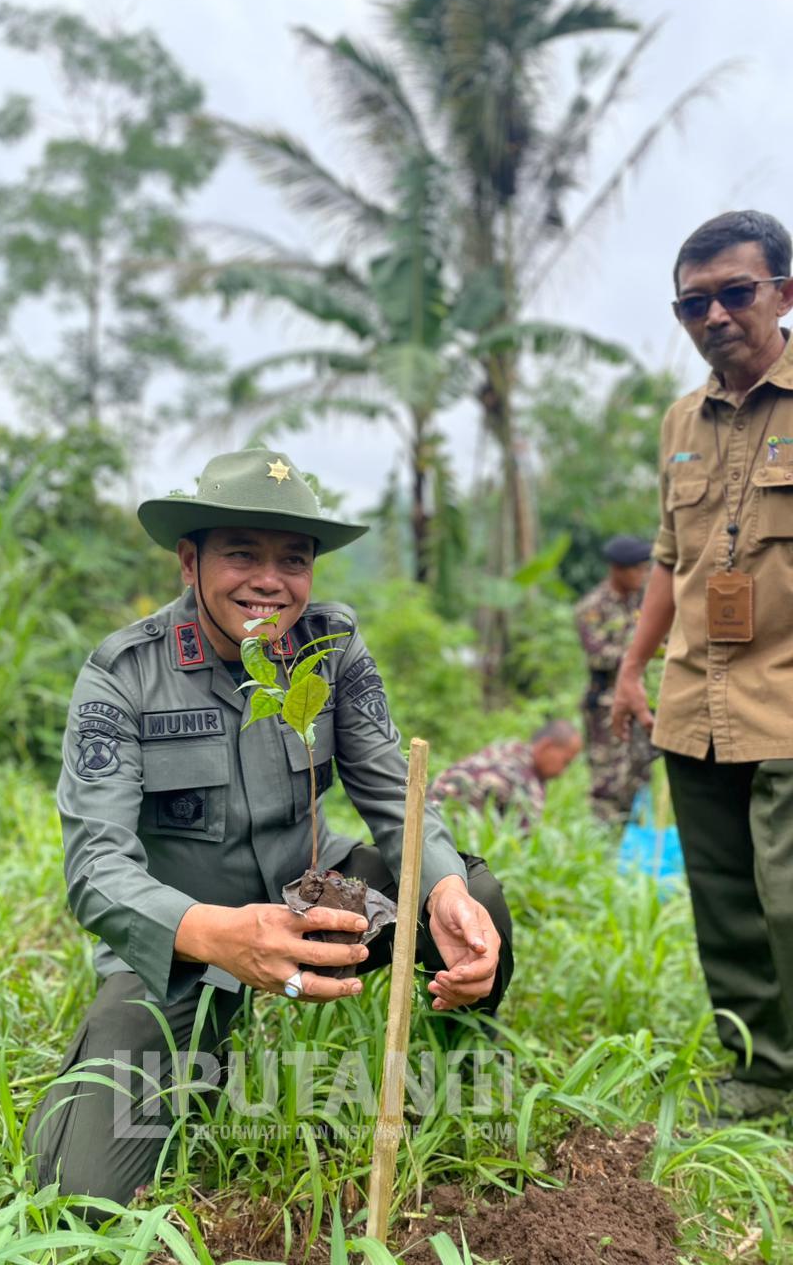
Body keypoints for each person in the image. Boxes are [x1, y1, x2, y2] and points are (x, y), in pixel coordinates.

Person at [28, 448, 514, 1211]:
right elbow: (95, 870)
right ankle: (208, 1043)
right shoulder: (124, 674)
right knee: (80, 1193)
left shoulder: (331, 647)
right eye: (241, 553)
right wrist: (217, 935)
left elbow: (393, 789)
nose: (269, 579)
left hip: (314, 899)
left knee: (472, 893)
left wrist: (444, 885)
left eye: (293, 558)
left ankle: (458, 1053)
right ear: (189, 561)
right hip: (188, 944)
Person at [613, 209, 793, 1120]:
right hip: (696, 702)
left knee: (789, 897)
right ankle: (760, 1075)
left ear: (784, 294)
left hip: (789, 700)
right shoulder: (681, 419)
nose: (715, 315)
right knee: (724, 901)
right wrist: (633, 667)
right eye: (693, 303)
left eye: (735, 293)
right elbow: (669, 557)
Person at [575, 535, 658, 824]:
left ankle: (632, 842)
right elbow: (598, 655)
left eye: (646, 568)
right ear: (617, 569)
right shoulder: (593, 607)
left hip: (644, 703)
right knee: (607, 778)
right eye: (637, 568)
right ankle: (604, 843)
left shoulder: (648, 600)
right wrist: (641, 652)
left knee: (640, 774)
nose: (644, 574)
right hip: (606, 705)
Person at [427, 721, 581, 833]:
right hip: (444, 833)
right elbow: (522, 846)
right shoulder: (526, 783)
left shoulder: (507, 748)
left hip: (421, 810)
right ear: (546, 746)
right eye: (565, 762)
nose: (563, 772)